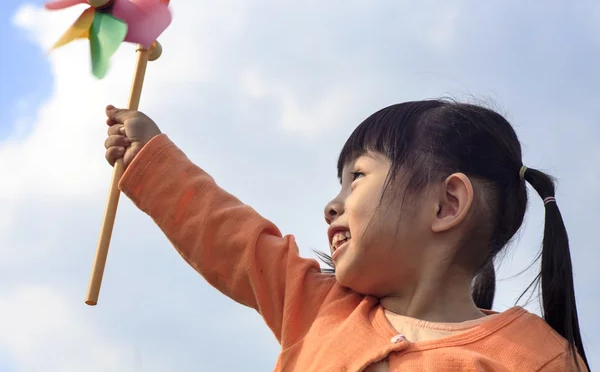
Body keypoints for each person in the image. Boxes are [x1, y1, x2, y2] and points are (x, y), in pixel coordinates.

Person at [104, 99, 590, 371]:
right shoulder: (321, 308)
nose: (331, 204)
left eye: (357, 176)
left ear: (446, 204)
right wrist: (153, 158)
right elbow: (231, 237)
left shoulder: (538, 359)